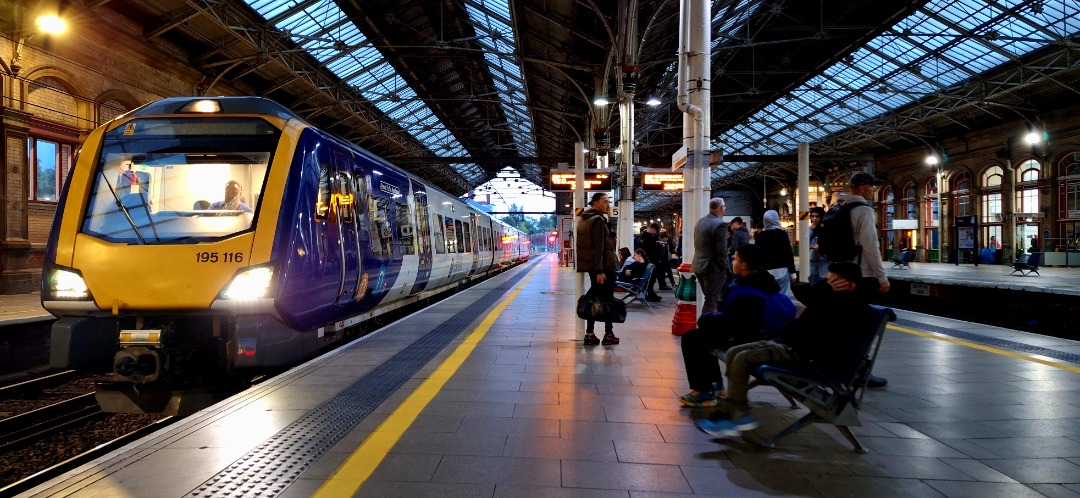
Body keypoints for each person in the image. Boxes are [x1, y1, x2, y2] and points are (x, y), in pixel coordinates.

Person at [695, 262, 874, 436]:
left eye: (833, 282)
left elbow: (827, 337)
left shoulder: (853, 308)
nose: (827, 285)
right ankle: (734, 409)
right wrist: (823, 288)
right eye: (826, 281)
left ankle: (737, 414)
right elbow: (802, 290)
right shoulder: (829, 299)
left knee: (743, 358)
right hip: (791, 345)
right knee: (734, 351)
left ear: (850, 285)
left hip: (807, 357)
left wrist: (823, 292)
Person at [679, 244, 784, 407]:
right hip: (755, 334)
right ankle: (714, 385)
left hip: (746, 338)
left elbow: (730, 323)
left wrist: (706, 319)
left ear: (744, 265)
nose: (732, 261)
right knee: (701, 337)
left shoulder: (747, 291)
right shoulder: (761, 281)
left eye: (735, 258)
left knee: (693, 338)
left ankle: (705, 390)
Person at [843, 172, 890, 387]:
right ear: (861, 187)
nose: (874, 189)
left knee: (848, 323)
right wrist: (882, 277)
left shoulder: (840, 209)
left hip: (842, 274)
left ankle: (847, 366)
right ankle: (860, 372)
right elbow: (871, 247)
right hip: (862, 275)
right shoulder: (864, 211)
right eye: (872, 185)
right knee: (861, 326)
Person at [575, 192, 620, 346]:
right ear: (595, 203)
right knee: (607, 300)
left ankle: (590, 333)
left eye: (608, 201)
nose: (608, 204)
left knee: (595, 298)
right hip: (604, 268)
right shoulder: (598, 220)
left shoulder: (585, 218)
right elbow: (598, 247)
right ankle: (608, 334)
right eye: (605, 201)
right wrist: (600, 271)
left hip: (595, 266)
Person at [691, 197, 729, 314]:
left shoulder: (700, 222)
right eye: (724, 208)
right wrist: (724, 267)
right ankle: (705, 329)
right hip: (712, 268)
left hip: (698, 266)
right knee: (711, 301)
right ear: (721, 208)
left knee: (710, 298)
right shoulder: (720, 224)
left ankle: (709, 326)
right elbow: (722, 250)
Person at [756, 210, 796, 296]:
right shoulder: (782, 234)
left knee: (768, 296)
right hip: (782, 270)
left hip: (766, 271)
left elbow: (757, 256)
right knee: (784, 296)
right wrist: (793, 273)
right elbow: (788, 253)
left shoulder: (760, 236)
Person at [641, 223, 668, 296]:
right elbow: (649, 249)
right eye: (656, 231)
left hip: (649, 259)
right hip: (651, 260)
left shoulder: (644, 237)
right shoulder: (649, 238)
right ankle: (650, 292)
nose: (655, 233)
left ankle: (650, 292)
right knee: (651, 277)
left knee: (651, 277)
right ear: (653, 229)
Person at [808, 207, 830, 285]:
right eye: (813, 216)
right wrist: (812, 228)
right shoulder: (809, 229)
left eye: (817, 216)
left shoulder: (826, 228)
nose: (815, 219)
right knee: (813, 283)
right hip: (812, 260)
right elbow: (805, 241)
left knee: (824, 283)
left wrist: (821, 247)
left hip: (823, 260)